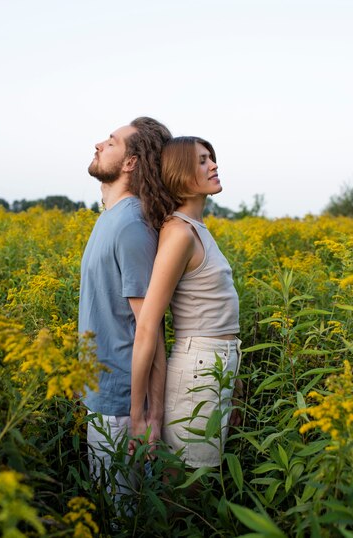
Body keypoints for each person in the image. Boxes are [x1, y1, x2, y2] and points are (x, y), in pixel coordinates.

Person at [130, 136, 241, 468]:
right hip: (199, 368)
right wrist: (140, 413)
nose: (214, 165)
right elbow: (148, 323)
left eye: (212, 158)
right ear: (180, 173)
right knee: (186, 484)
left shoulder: (196, 228)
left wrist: (231, 386)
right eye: (203, 160)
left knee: (201, 479)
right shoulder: (179, 233)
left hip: (217, 365)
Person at [78, 116, 175, 486]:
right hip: (102, 394)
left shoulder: (131, 225)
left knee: (121, 514)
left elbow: (150, 329)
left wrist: (149, 417)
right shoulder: (111, 218)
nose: (99, 144)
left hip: (121, 406)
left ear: (131, 162)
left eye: (112, 142)